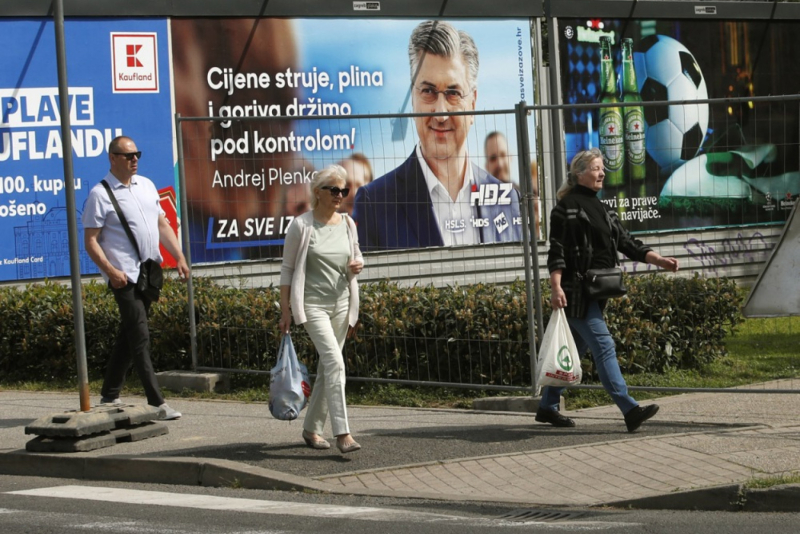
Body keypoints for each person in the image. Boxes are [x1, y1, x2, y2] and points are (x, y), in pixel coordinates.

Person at [540, 148, 679, 432]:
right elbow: (557, 251)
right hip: (575, 293)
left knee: (576, 348)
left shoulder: (605, 209)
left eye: (603, 168)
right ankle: (630, 409)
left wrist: (659, 260)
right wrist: (556, 287)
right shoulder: (565, 209)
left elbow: (627, 243)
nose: (602, 173)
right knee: (604, 346)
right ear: (579, 174)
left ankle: (547, 406)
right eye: (595, 168)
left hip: (597, 292)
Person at [353, 20, 522, 251]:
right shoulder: (375, 204)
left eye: (453, 93)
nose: (441, 114)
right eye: (428, 91)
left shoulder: (509, 200)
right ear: (413, 99)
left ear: (473, 103)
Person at [83, 136, 190, 420]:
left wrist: (178, 256)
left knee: (129, 333)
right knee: (140, 337)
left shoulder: (146, 185)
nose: (135, 160)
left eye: (137, 155)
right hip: (124, 277)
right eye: (128, 155)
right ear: (112, 158)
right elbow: (91, 241)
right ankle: (157, 402)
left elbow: (162, 223)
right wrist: (110, 271)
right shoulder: (100, 194)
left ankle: (109, 393)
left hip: (148, 272)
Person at [279, 164, 364, 454]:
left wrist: (358, 265)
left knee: (328, 368)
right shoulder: (301, 225)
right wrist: (286, 310)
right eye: (334, 190)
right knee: (335, 363)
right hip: (312, 305)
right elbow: (287, 270)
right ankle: (343, 433)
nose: (340, 195)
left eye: (344, 190)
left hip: (342, 304)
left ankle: (311, 429)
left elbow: (357, 255)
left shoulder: (348, 224)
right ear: (318, 192)